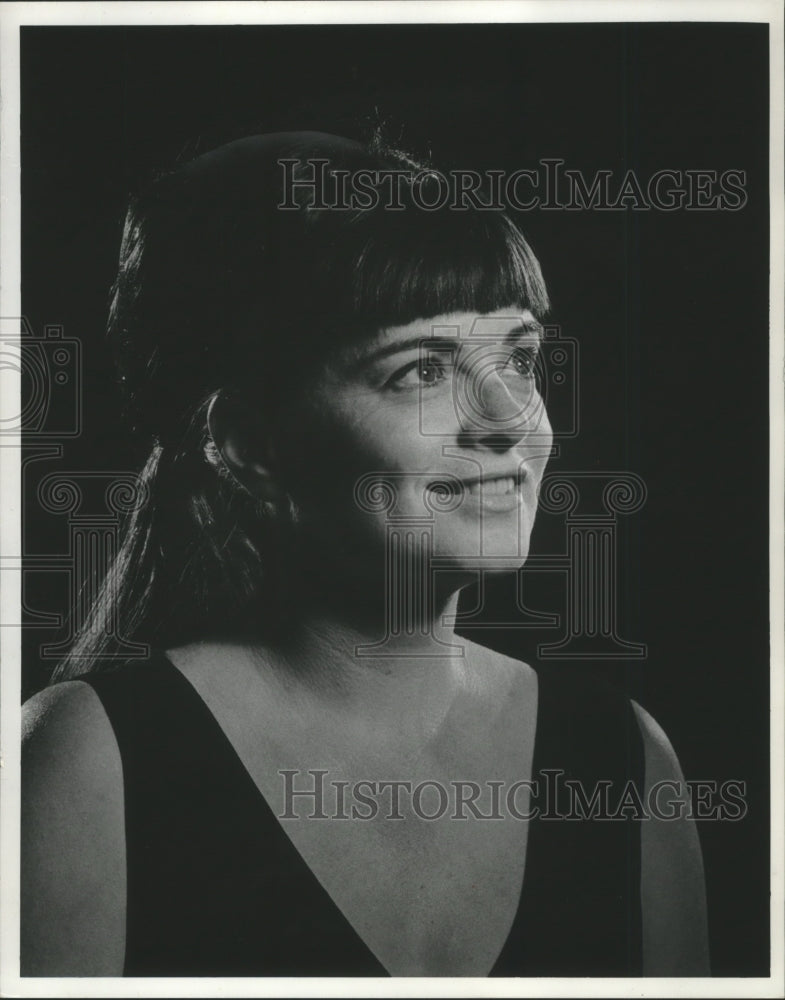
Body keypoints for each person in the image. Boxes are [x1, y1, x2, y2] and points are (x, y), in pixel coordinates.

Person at [21, 131, 710, 978]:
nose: (507, 418)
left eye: (521, 358)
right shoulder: (86, 762)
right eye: (421, 370)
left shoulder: (623, 756)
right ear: (247, 448)